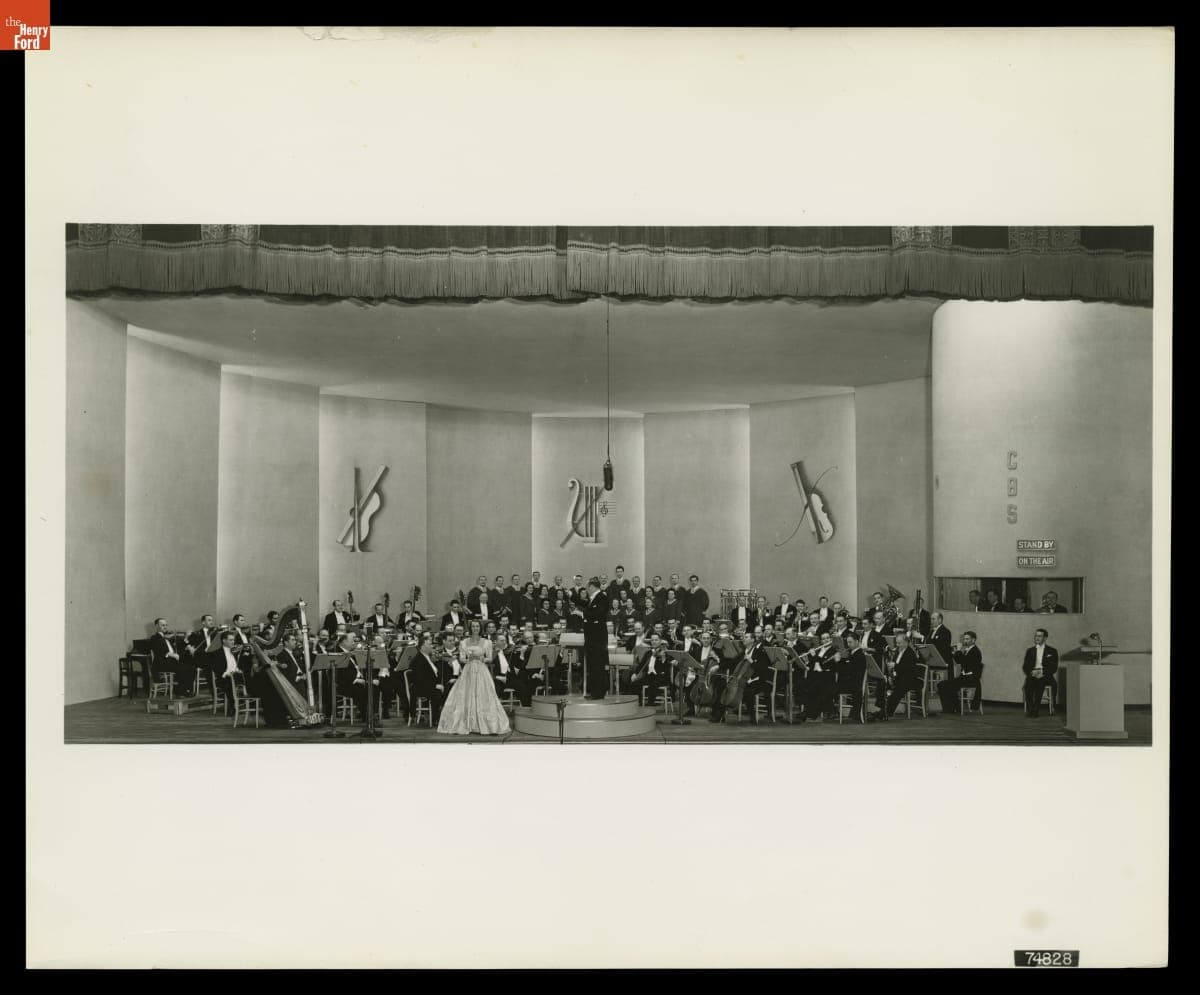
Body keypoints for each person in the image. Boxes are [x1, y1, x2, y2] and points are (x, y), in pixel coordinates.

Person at [438, 619, 510, 735]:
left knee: (484, 694)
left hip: (481, 669)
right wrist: (468, 659)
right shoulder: (464, 642)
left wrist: (481, 658)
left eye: (477, 626)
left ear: (480, 628)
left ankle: (485, 724)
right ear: (470, 628)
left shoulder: (487, 642)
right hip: (469, 669)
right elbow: (461, 658)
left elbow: (490, 658)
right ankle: (467, 723)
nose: (475, 628)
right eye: (473, 626)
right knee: (465, 695)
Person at [938, 631, 984, 714]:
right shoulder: (968, 650)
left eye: (967, 639)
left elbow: (966, 664)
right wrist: (954, 653)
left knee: (947, 685)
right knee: (942, 684)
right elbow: (960, 661)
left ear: (973, 640)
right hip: (965, 678)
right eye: (964, 639)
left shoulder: (975, 651)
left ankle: (953, 708)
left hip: (971, 679)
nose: (964, 641)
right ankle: (953, 708)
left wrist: (958, 651)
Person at [879, 633, 923, 720]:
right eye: (897, 643)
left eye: (900, 643)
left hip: (909, 679)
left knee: (898, 689)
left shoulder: (910, 653)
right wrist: (891, 675)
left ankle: (887, 712)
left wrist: (894, 666)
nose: (897, 645)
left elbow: (907, 668)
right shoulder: (898, 651)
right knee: (882, 684)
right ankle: (882, 709)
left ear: (906, 642)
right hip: (900, 677)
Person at [149, 618, 196, 696]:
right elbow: (159, 650)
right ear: (157, 626)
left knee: (192, 667)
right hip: (161, 664)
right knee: (182, 668)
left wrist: (186, 638)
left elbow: (178, 648)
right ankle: (181, 691)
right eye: (163, 625)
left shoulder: (168, 638)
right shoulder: (154, 638)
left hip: (170, 662)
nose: (165, 627)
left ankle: (186, 689)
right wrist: (172, 655)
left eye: (166, 625)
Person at [408, 633, 448, 724]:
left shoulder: (427, 657)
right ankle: (435, 718)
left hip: (427, 685)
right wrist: (435, 685)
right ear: (422, 646)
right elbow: (420, 679)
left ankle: (440, 716)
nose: (432, 646)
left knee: (448, 689)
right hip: (420, 687)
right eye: (429, 645)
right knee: (438, 693)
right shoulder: (418, 660)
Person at [1021, 628, 1060, 717]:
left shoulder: (1052, 651)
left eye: (1039, 636)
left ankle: (1036, 709)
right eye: (1036, 636)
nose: (1036, 638)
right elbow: (1025, 666)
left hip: (1046, 675)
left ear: (1045, 638)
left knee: (1040, 682)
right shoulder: (1030, 651)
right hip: (1033, 674)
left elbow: (1053, 668)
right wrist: (1031, 672)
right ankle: (1031, 709)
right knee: (1028, 685)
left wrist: (1042, 672)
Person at [582, 577, 609, 700]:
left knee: (597, 665)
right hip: (592, 638)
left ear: (592, 587)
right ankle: (594, 692)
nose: (587, 590)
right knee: (593, 665)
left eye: (588, 588)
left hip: (597, 638)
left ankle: (598, 693)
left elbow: (598, 613)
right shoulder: (593, 598)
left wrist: (582, 614)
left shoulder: (602, 597)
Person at [631, 632, 670, 706]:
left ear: (660, 641)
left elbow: (666, 667)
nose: (654, 642)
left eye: (656, 640)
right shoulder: (648, 653)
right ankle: (639, 702)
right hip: (648, 675)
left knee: (653, 684)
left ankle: (650, 703)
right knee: (635, 683)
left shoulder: (665, 652)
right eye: (652, 640)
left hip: (660, 676)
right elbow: (641, 665)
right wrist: (635, 674)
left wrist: (663, 658)